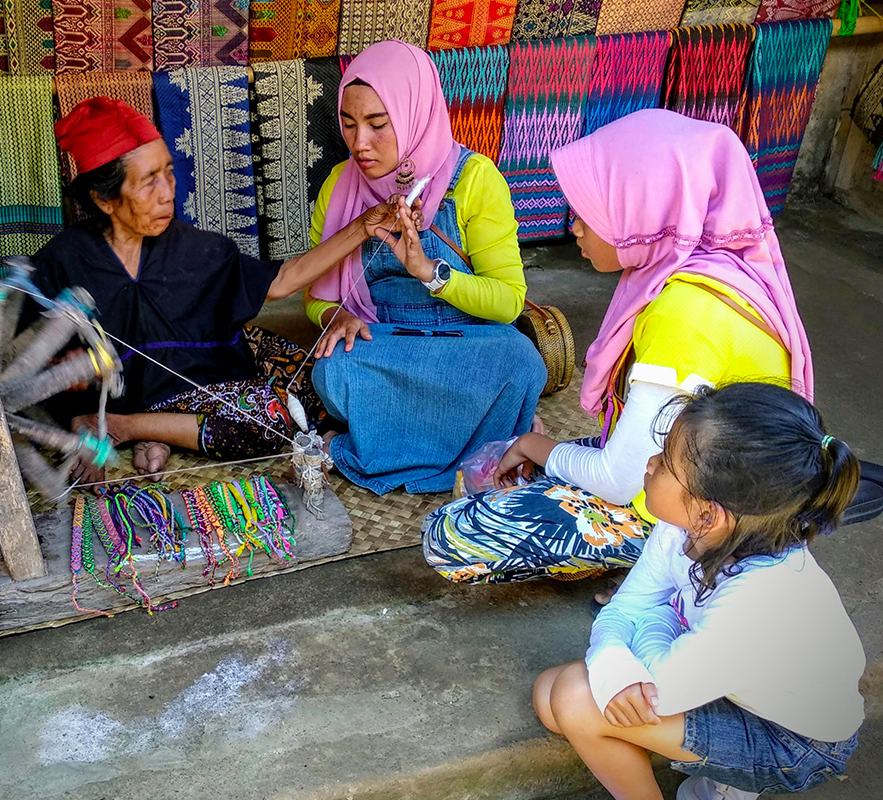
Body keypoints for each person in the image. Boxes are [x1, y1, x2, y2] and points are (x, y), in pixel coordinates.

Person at [422, 109, 813, 587]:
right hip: (696, 477)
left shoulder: (685, 312)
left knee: (456, 532)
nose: (575, 228)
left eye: (590, 211)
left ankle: (670, 564)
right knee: (530, 468)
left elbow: (620, 478)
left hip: (705, 516)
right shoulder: (706, 276)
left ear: (643, 206)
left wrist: (530, 444)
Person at [532, 382, 864, 800]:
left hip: (795, 743)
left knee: (576, 698)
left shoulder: (761, 597)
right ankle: (717, 776)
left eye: (666, 461)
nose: (649, 464)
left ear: (710, 515)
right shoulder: (682, 529)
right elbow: (625, 607)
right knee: (551, 695)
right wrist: (616, 661)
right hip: (717, 680)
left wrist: (657, 617)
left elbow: (659, 681)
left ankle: (723, 785)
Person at [32, 97, 395, 477]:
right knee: (269, 422)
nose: (168, 192)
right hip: (129, 397)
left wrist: (364, 226)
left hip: (209, 376)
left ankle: (156, 432)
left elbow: (283, 281)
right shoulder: (62, 262)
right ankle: (124, 427)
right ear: (103, 199)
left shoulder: (196, 248)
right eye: (148, 181)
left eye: (168, 172)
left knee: (327, 390)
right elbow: (29, 363)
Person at [304, 39, 546, 495]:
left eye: (378, 125)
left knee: (521, 362)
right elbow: (315, 294)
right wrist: (339, 316)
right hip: (386, 339)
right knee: (332, 370)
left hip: (469, 338)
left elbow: (510, 302)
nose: (360, 143)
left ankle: (376, 443)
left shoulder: (474, 180)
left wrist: (430, 272)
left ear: (416, 113)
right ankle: (481, 442)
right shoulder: (341, 186)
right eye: (349, 124)